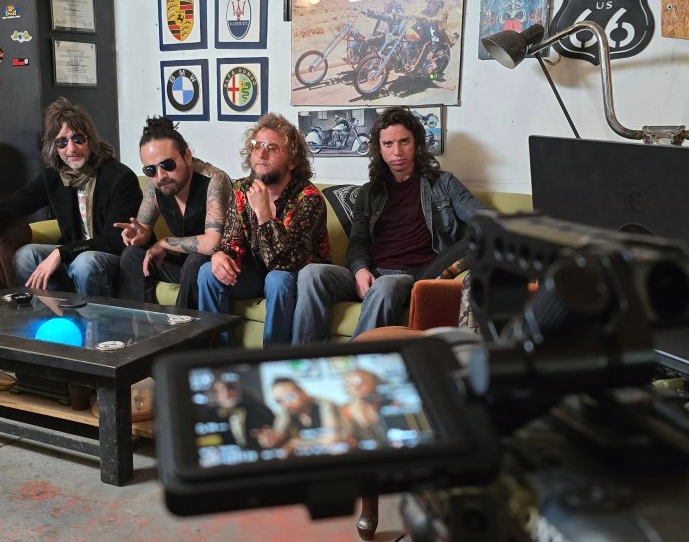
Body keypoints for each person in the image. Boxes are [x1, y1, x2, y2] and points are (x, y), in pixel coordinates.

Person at [293, 106, 484, 343]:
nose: (397, 151)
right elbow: (358, 240)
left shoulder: (443, 183)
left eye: (404, 141)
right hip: (371, 273)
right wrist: (360, 270)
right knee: (311, 273)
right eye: (388, 144)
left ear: (417, 143)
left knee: (385, 285)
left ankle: (355, 361)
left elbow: (483, 219)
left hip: (409, 277)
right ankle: (305, 359)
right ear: (379, 149)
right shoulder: (369, 192)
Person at [0, 97, 142, 296]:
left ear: (91, 140)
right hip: (74, 254)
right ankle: (56, 312)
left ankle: (98, 317)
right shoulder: (55, 176)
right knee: (25, 257)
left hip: (112, 257)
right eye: (62, 142)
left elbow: (115, 241)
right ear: (55, 147)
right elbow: (17, 202)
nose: (71, 149)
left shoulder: (119, 177)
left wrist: (62, 252)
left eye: (78, 139)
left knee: (84, 263)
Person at [198, 112, 330, 345]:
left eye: (272, 148)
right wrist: (220, 254)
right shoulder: (242, 188)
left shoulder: (308, 198)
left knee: (277, 279)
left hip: (294, 278)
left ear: (292, 161)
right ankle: (219, 358)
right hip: (256, 273)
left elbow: (288, 262)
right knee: (208, 272)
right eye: (256, 146)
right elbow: (230, 242)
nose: (261, 154)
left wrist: (264, 214)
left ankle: (272, 359)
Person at [114, 116, 231, 309]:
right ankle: (139, 324)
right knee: (132, 255)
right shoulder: (155, 185)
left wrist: (164, 243)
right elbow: (143, 229)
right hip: (180, 264)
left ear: (187, 156)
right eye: (150, 170)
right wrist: (138, 235)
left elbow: (213, 243)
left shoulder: (214, 180)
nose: (160, 176)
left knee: (196, 261)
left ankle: (183, 326)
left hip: (214, 264)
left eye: (167, 165)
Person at [255, 377, 346, 454]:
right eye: (279, 401)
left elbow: (333, 439)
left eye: (290, 397)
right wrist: (270, 439)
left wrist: (298, 444)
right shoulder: (286, 412)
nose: (286, 404)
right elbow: (278, 435)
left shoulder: (325, 405)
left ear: (302, 392)